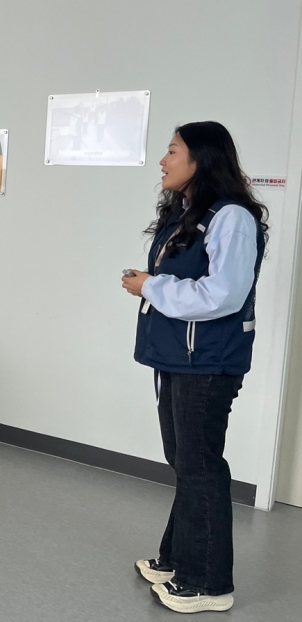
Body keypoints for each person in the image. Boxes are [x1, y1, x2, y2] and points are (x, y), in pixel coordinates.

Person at [121, 122, 268, 614]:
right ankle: (177, 559)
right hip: (179, 357)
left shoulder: (232, 218)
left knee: (200, 466)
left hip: (207, 361)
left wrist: (150, 286)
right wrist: (150, 284)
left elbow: (223, 294)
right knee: (186, 461)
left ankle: (208, 583)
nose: (162, 161)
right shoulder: (189, 213)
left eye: (172, 151)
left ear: (201, 159)